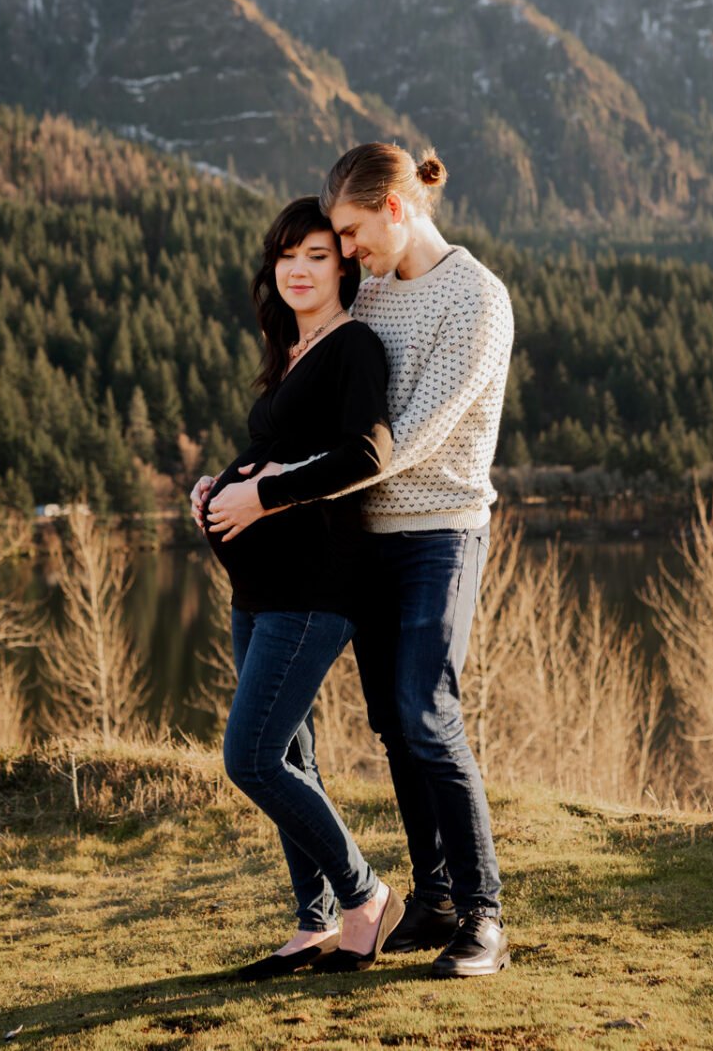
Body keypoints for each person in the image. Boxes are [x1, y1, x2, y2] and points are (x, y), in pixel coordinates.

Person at [202, 144, 516, 978]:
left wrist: (272, 491)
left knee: (425, 711)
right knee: (390, 723)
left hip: (440, 533)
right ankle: (436, 896)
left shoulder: (478, 299)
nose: (343, 252)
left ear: (396, 209)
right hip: (367, 537)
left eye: (348, 232)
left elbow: (394, 443)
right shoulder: (372, 289)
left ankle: (484, 914)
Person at [202, 196, 406, 979]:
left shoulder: (353, 346)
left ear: (344, 265)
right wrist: (219, 485)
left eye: (318, 254)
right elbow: (283, 456)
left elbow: (366, 453)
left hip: (314, 586)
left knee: (251, 758)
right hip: (259, 587)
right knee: (294, 756)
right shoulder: (292, 348)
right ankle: (317, 921)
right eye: (287, 253)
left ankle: (364, 896)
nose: (298, 267)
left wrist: (261, 494)